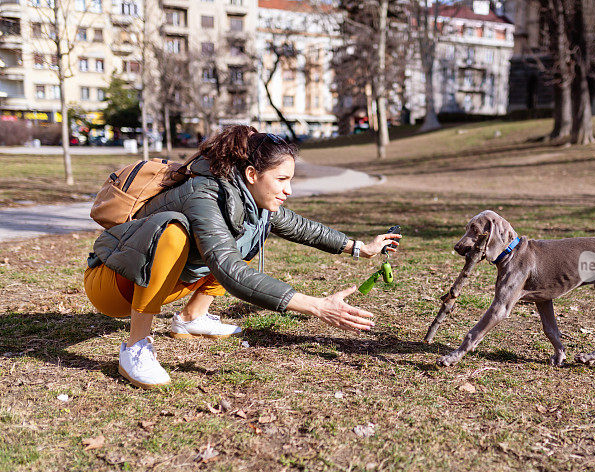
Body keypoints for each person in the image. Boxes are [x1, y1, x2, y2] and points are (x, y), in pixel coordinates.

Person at [84, 126, 400, 389]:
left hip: (162, 283)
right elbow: (230, 271)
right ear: (251, 173)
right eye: (282, 180)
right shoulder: (204, 195)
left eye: (291, 180)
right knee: (176, 232)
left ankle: (192, 318)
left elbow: (300, 227)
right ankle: (136, 347)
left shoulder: (247, 198)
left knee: (249, 232)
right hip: (114, 287)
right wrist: (317, 306)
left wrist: (361, 247)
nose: (289, 190)